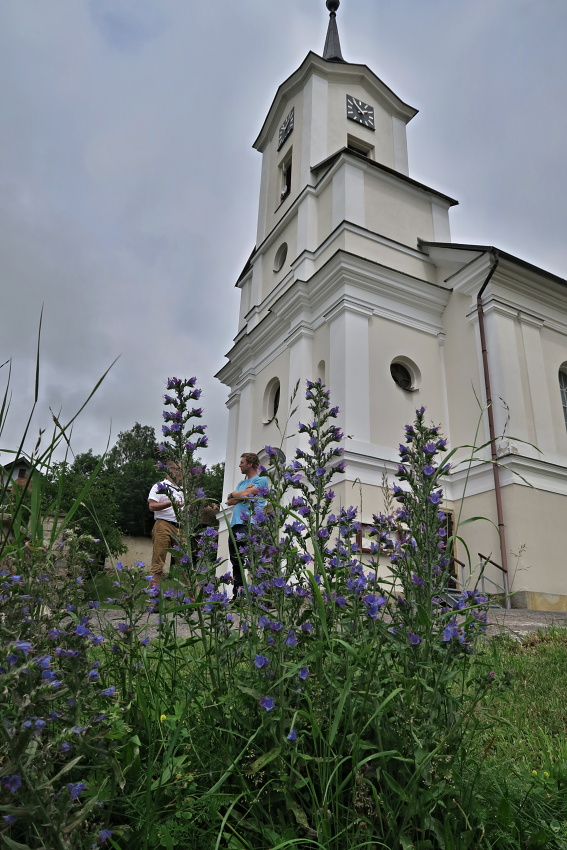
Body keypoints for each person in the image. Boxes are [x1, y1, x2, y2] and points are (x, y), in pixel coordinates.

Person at [226, 453, 269, 596]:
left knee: (255, 559)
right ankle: (238, 596)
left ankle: (263, 595)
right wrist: (239, 493)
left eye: (242, 462)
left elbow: (248, 495)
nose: (239, 465)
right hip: (235, 525)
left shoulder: (261, 480)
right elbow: (229, 501)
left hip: (251, 524)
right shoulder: (241, 484)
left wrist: (239, 495)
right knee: (236, 562)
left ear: (250, 464)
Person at [147, 461, 184, 587]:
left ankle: (196, 602)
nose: (180, 474)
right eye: (178, 471)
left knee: (186, 565)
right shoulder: (160, 486)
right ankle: (153, 602)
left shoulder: (181, 490)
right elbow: (152, 506)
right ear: (171, 471)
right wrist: (171, 502)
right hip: (163, 525)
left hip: (180, 528)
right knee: (158, 563)